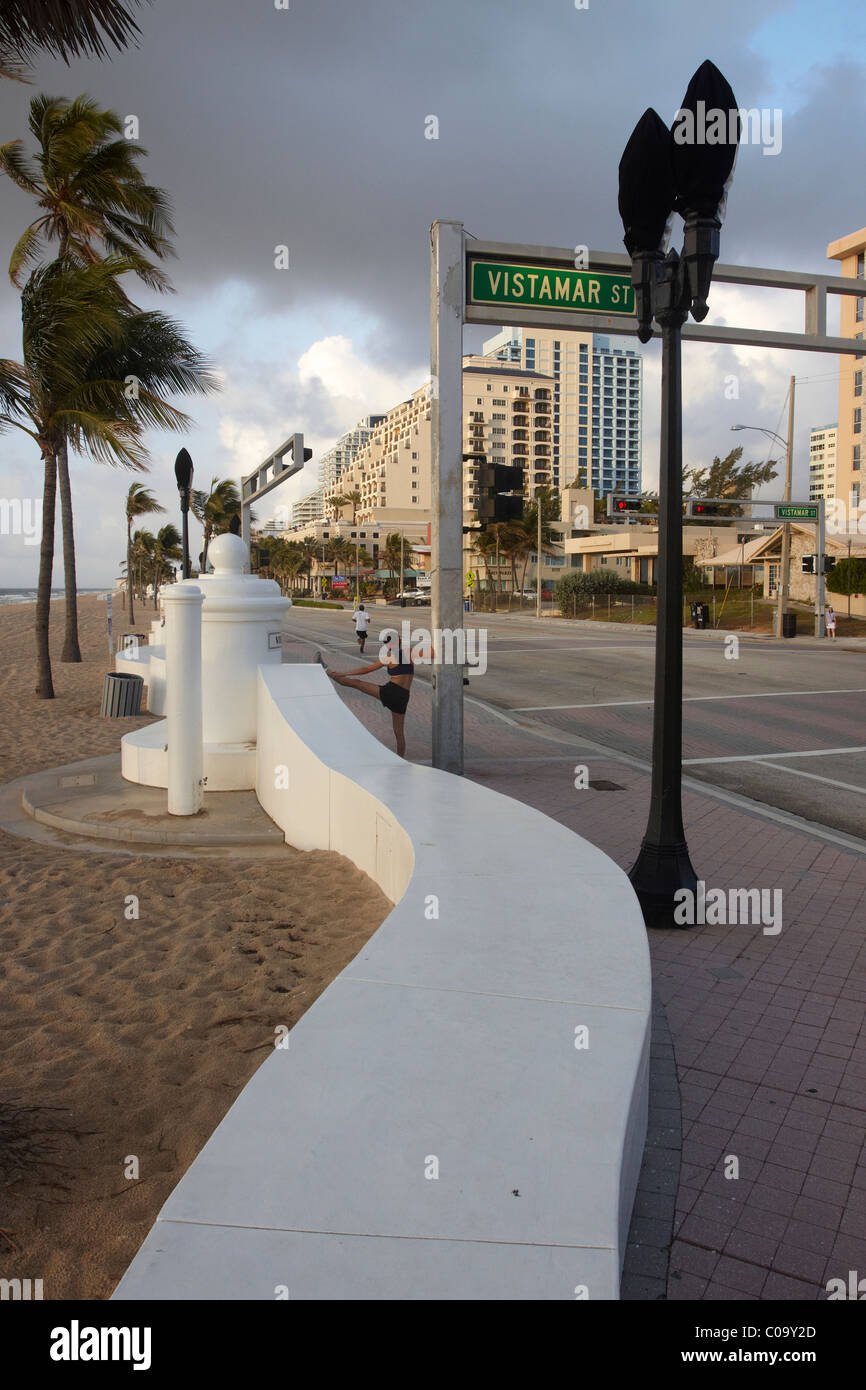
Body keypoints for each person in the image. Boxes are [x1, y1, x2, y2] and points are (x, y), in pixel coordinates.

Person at [318, 630, 423, 758]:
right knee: (399, 733)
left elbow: (366, 670)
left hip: (391, 692)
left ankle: (329, 672)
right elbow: (430, 654)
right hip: (404, 697)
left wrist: (344, 673)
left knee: (356, 683)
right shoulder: (410, 653)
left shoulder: (389, 658)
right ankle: (401, 759)